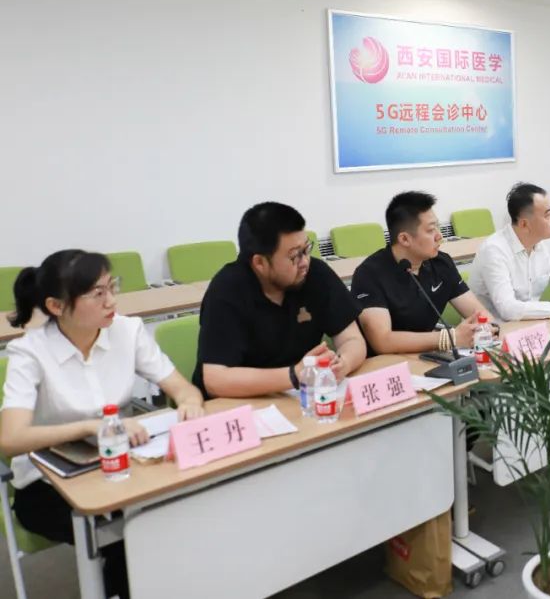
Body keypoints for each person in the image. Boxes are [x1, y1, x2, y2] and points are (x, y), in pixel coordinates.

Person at [0, 250, 205, 599]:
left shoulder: (127, 331)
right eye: (97, 293)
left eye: (112, 287)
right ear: (56, 306)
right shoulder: (30, 352)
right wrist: (88, 428)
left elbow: (182, 389)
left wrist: (189, 403)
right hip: (47, 485)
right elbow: (10, 438)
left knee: (174, 509)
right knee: (131, 530)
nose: (111, 301)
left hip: (122, 466)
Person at [193, 202, 366, 398]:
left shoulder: (315, 274)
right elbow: (216, 380)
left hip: (299, 398)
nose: (305, 262)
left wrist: (343, 363)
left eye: (306, 249)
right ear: (260, 262)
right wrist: (294, 375)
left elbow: (352, 338)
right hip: (240, 403)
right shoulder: (227, 289)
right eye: (294, 256)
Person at [351, 191, 489, 354]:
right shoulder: (369, 274)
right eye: (430, 230)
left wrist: (488, 328)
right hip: (387, 364)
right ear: (404, 239)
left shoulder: (441, 263)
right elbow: (383, 341)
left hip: (427, 357)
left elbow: (478, 314)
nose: (439, 236)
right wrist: (449, 338)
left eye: (438, 226)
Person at [469, 183, 550, 321]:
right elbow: (508, 309)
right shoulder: (494, 250)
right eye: (548, 215)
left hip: (531, 323)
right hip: (492, 328)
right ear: (524, 224)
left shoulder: (548, 242)